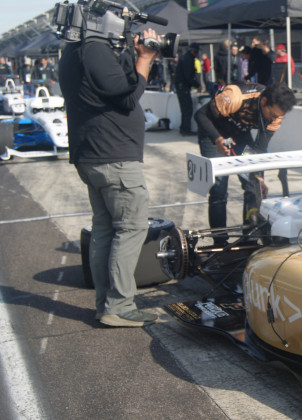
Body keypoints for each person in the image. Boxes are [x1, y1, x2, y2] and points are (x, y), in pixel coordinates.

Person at [59, 28, 161, 327]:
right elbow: (127, 97)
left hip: (92, 155)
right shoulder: (95, 50)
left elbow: (114, 86)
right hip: (114, 158)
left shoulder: (76, 51)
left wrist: (132, 53)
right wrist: (144, 59)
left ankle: (105, 303)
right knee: (130, 229)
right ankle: (119, 306)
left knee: (104, 230)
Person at [193, 83, 296, 246]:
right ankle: (219, 242)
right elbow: (200, 115)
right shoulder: (235, 96)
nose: (273, 119)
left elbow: (259, 148)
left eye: (277, 116)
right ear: (264, 102)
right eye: (271, 114)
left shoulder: (276, 116)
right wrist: (218, 140)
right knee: (219, 190)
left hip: (240, 136)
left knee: (253, 188)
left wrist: (258, 177)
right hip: (212, 134)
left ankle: (249, 240)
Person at [174, 44, 201, 136]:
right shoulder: (188, 59)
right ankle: (186, 129)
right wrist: (197, 85)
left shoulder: (185, 57)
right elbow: (188, 76)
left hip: (181, 86)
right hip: (183, 86)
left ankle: (184, 128)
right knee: (187, 109)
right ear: (193, 51)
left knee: (184, 109)